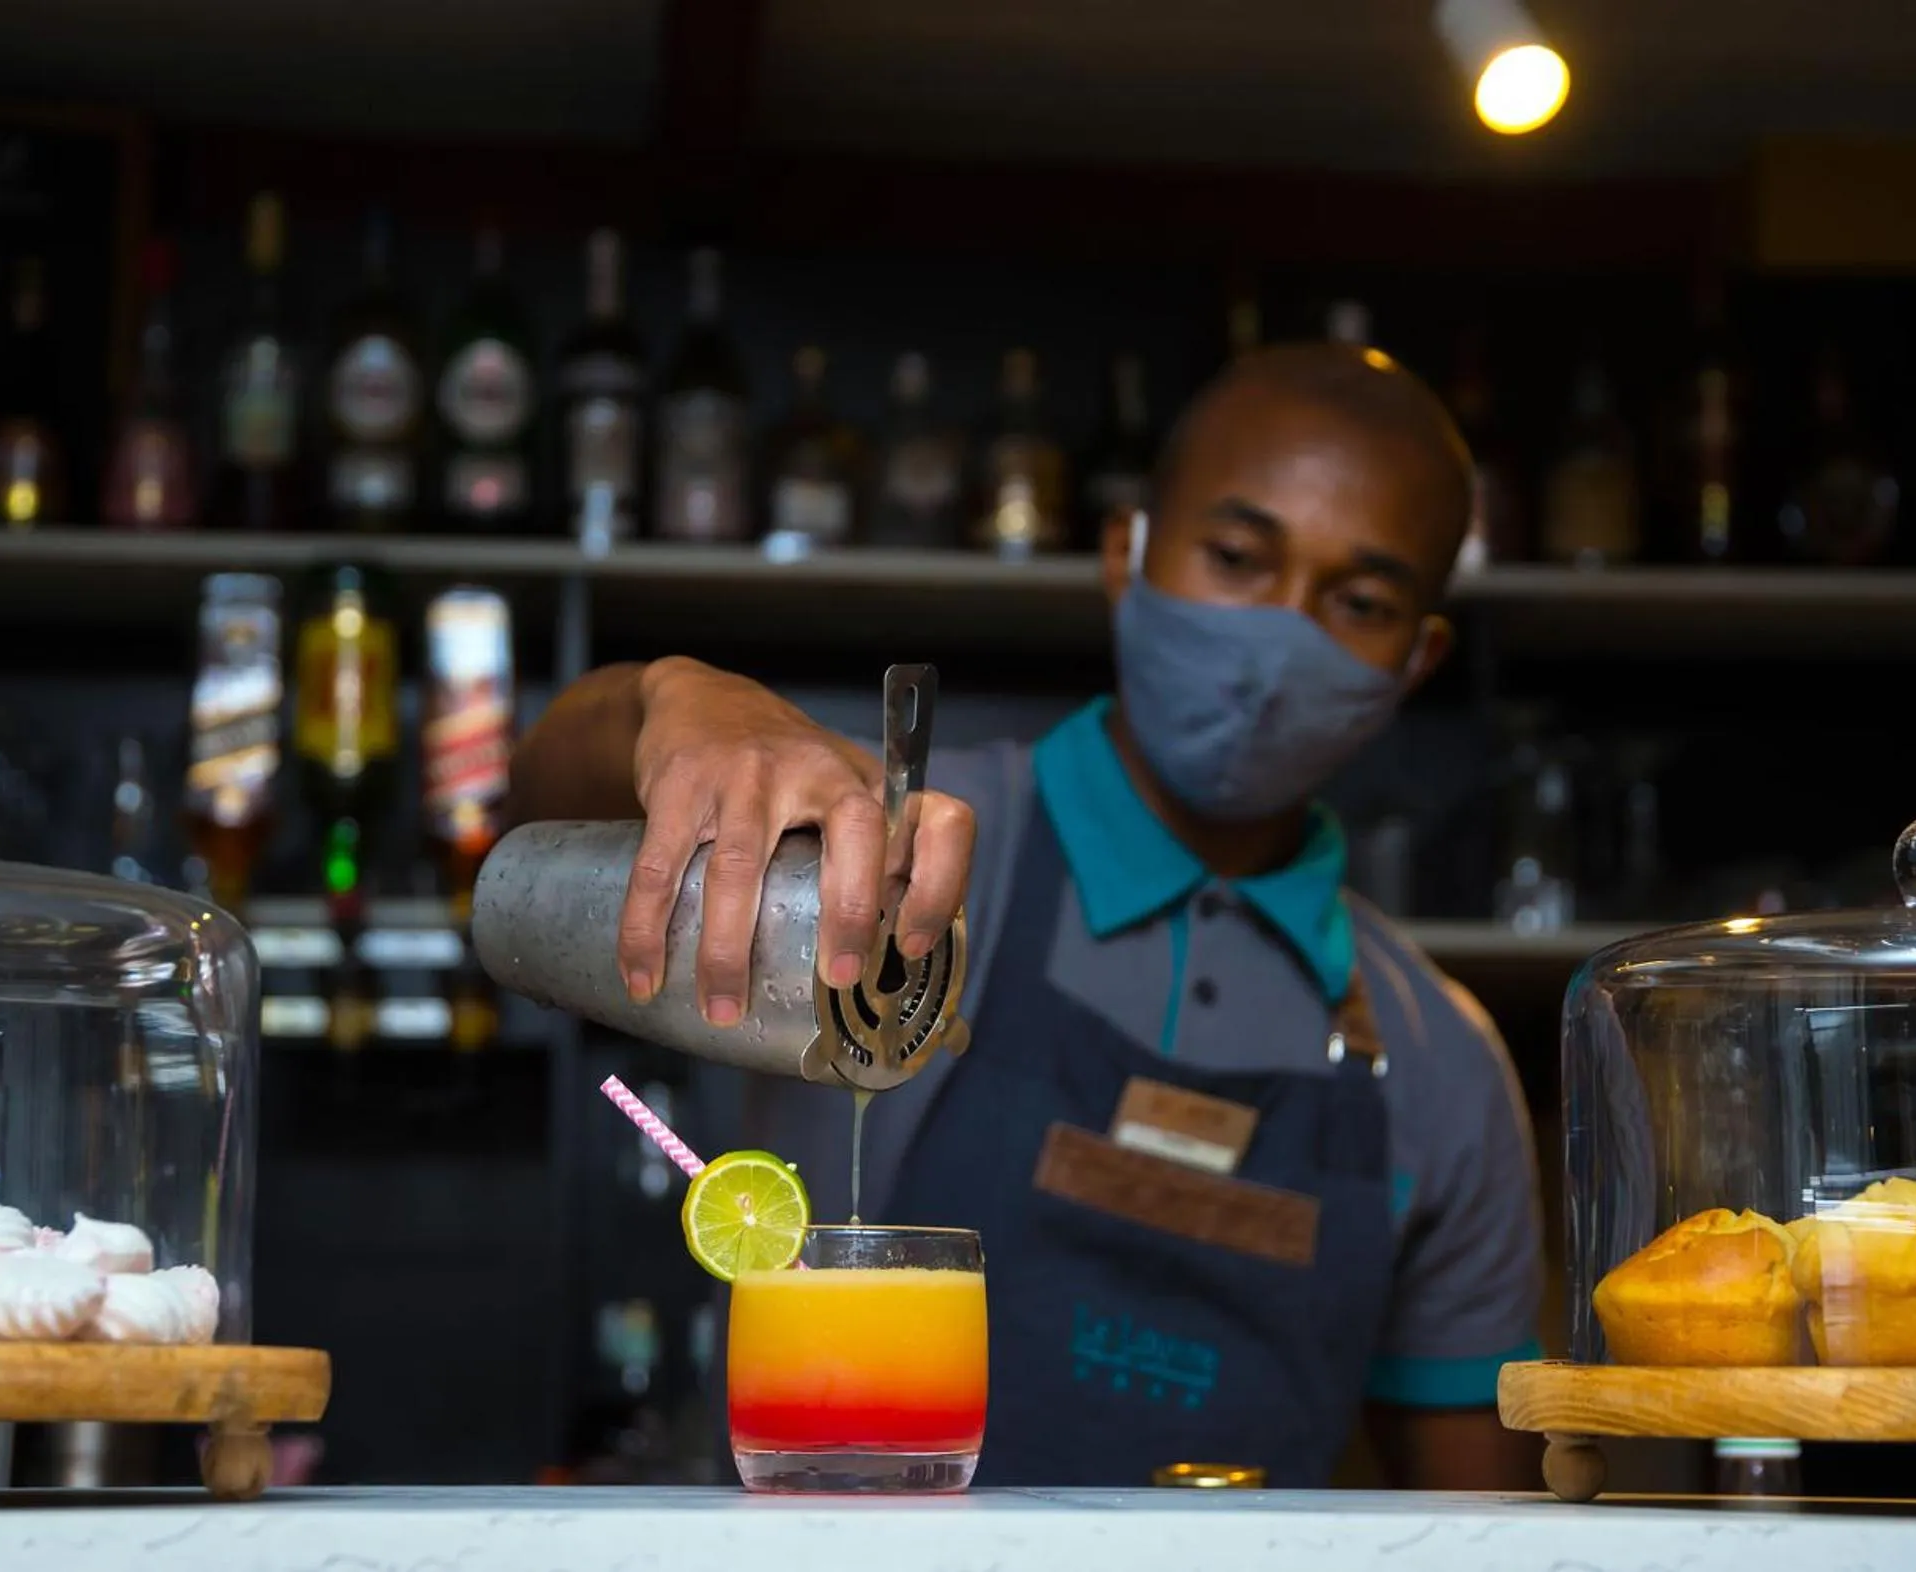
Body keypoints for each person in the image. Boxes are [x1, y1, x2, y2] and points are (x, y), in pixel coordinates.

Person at [507, 341, 1545, 1491]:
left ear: (1417, 659)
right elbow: (533, 819)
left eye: (1357, 601)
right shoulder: (894, 871)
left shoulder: (1444, 1064)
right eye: (1239, 556)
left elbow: (1475, 1528)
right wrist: (669, 699)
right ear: (1125, 553)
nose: (1280, 634)